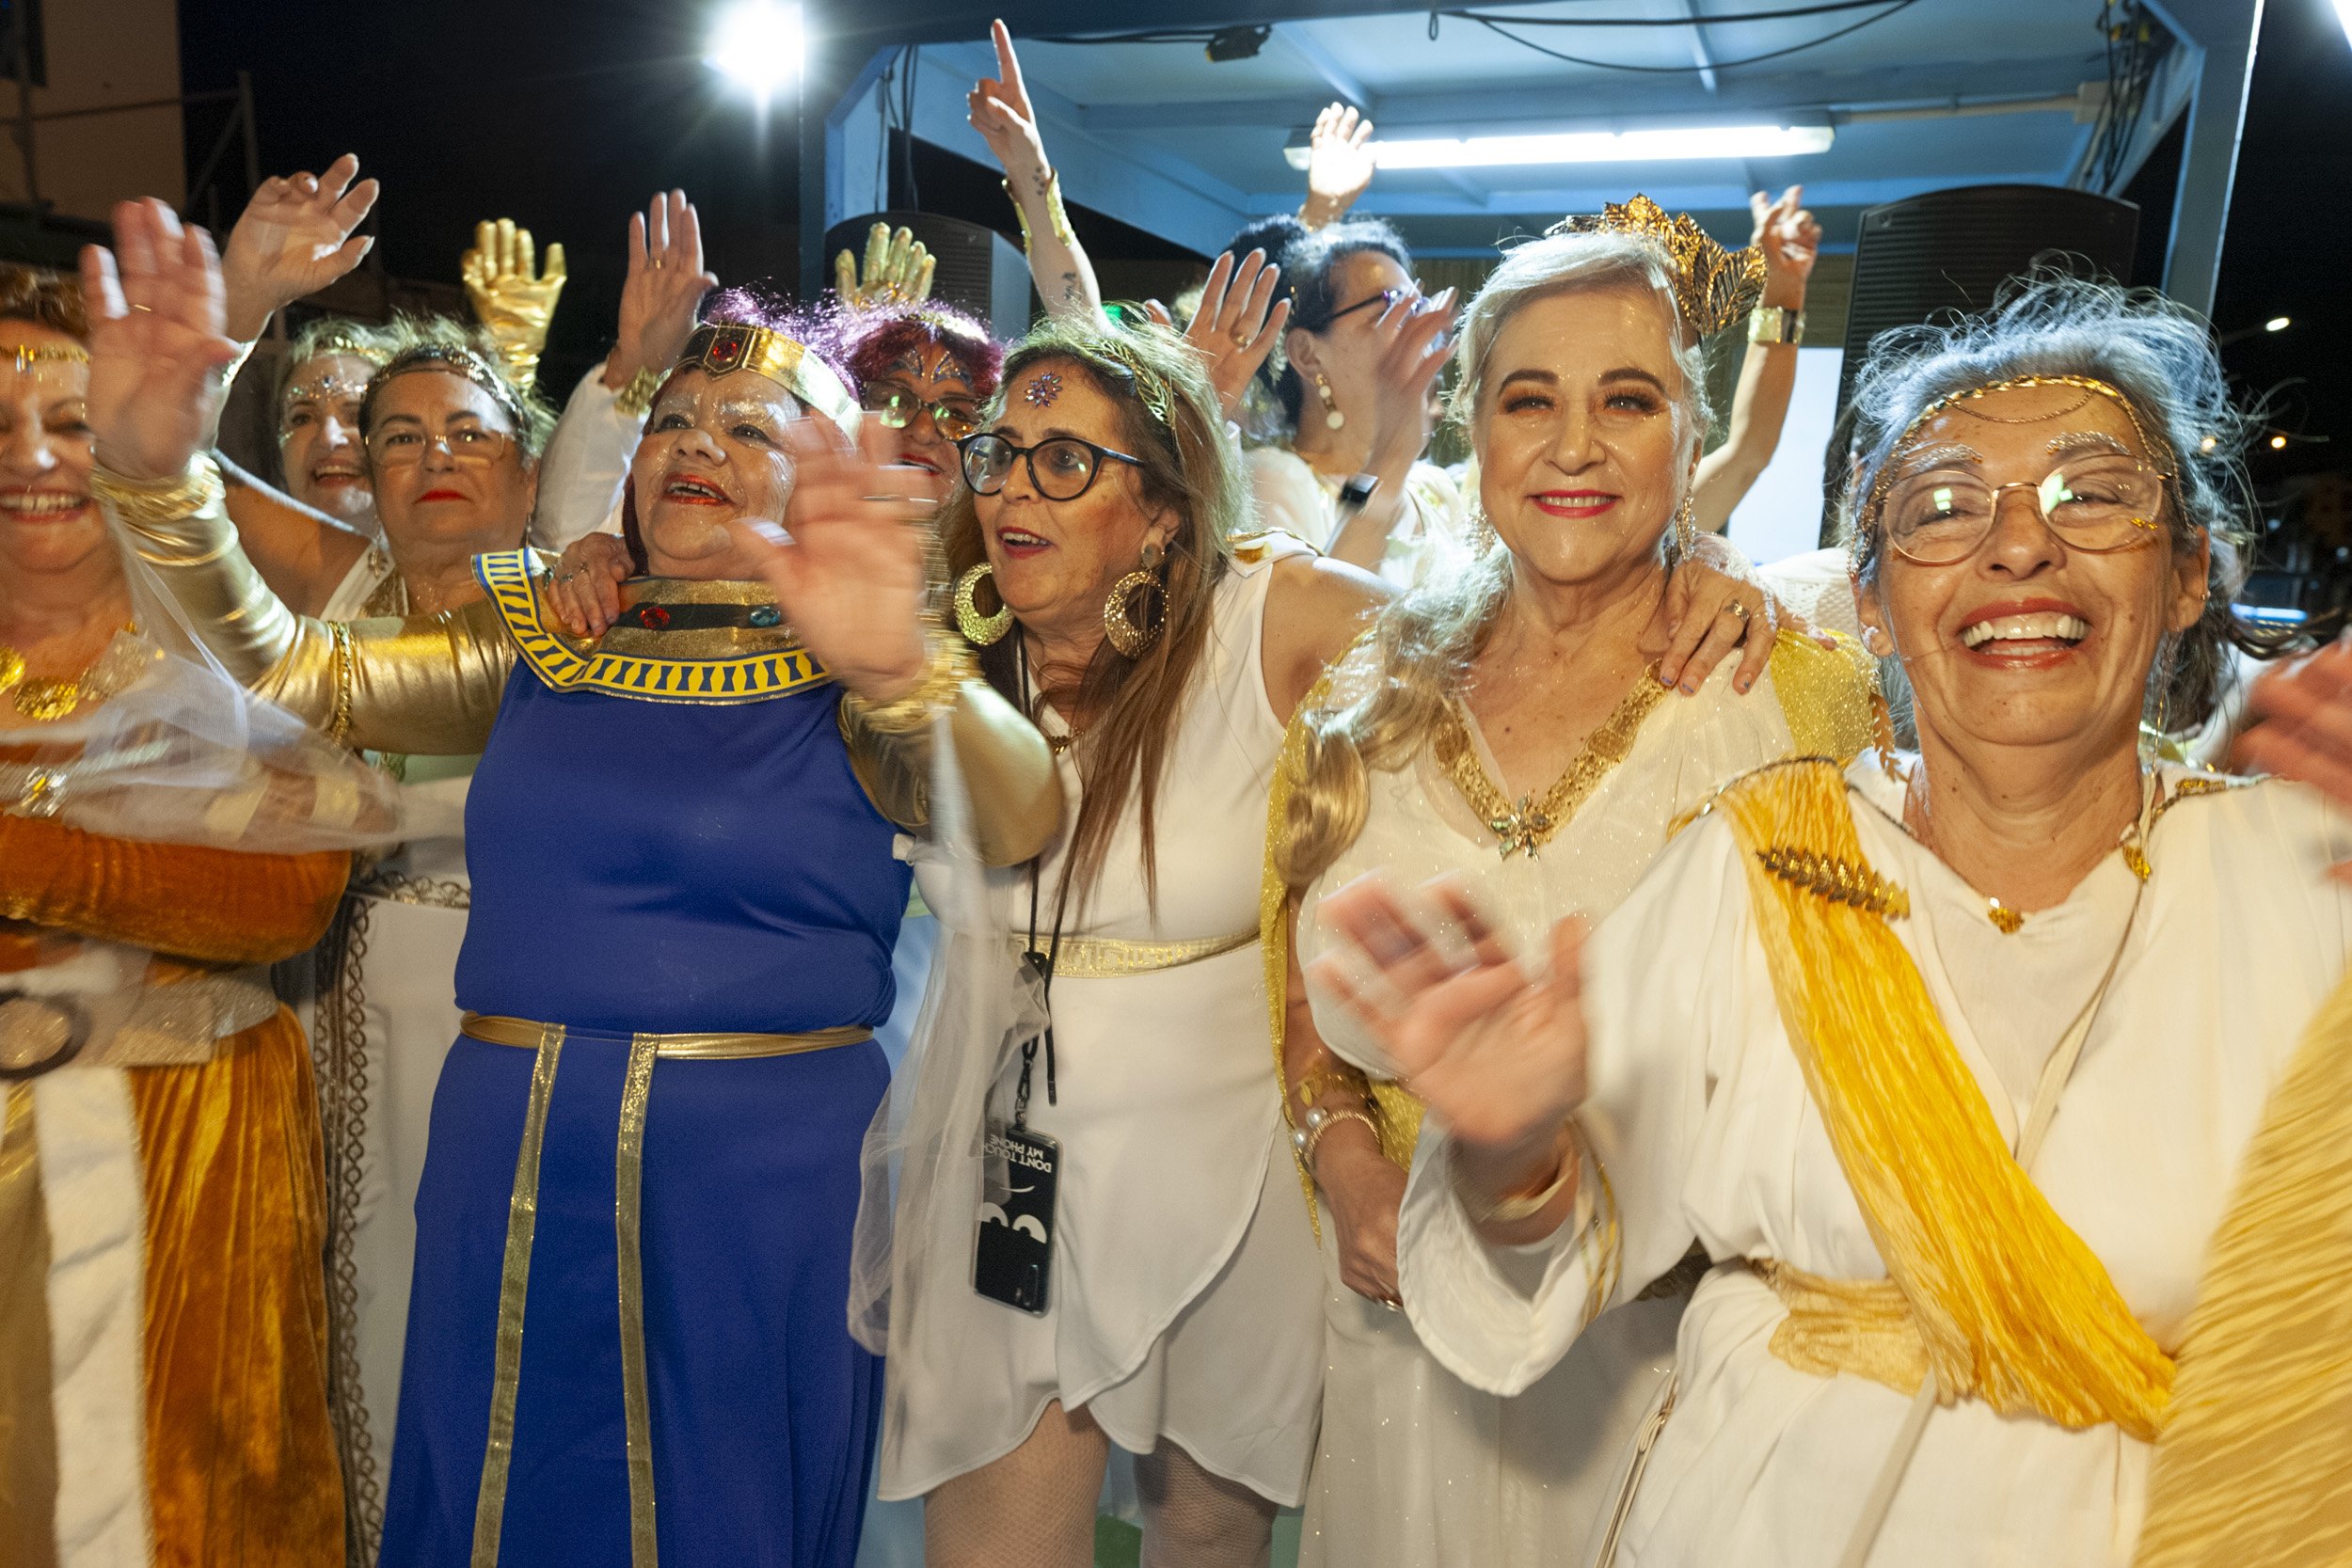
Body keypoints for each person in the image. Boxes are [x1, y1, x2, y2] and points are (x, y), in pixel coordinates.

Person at [88, 197, 1062, 1568]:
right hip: (504, 1139)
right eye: (672, 424)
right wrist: (157, 476)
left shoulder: (859, 667)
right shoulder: (553, 624)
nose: (695, 448)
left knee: (730, 1504)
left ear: (817, 481)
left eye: (746, 433)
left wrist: (898, 662)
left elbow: (1020, 818)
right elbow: (308, 678)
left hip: (759, 1171)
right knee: (494, 1492)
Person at [1310, 276, 2342, 1567]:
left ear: (2187, 571)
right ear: (1872, 603)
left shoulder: (2303, 882)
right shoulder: (1763, 867)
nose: (2019, 546)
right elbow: (1542, 1261)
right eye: (1946, 509)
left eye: (2092, 495)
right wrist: (1511, 1155)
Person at [1269, 212, 1871, 1568]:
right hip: (1402, 1353)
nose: (1577, 446)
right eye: (1529, 400)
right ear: (1471, 428)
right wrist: (1345, 1156)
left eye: (1630, 400)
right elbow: (1305, 987)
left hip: (1669, 1374)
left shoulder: (1789, 699)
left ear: (1689, 430)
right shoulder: (1368, 704)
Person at [3, 247, 396, 1565]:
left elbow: (293, 887)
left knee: (193, 1507)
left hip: (193, 1141)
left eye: (70, 421)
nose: (33, 457)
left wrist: (29, 834)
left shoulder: (223, 640)